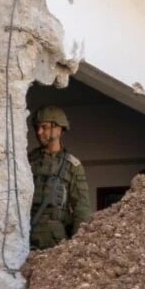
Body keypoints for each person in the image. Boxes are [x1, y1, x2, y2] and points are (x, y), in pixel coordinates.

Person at [29, 106, 91, 250]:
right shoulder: (29, 161)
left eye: (44, 127)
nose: (39, 132)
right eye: (37, 128)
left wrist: (77, 245)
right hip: (27, 233)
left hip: (55, 238)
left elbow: (81, 210)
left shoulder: (72, 165)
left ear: (58, 129)